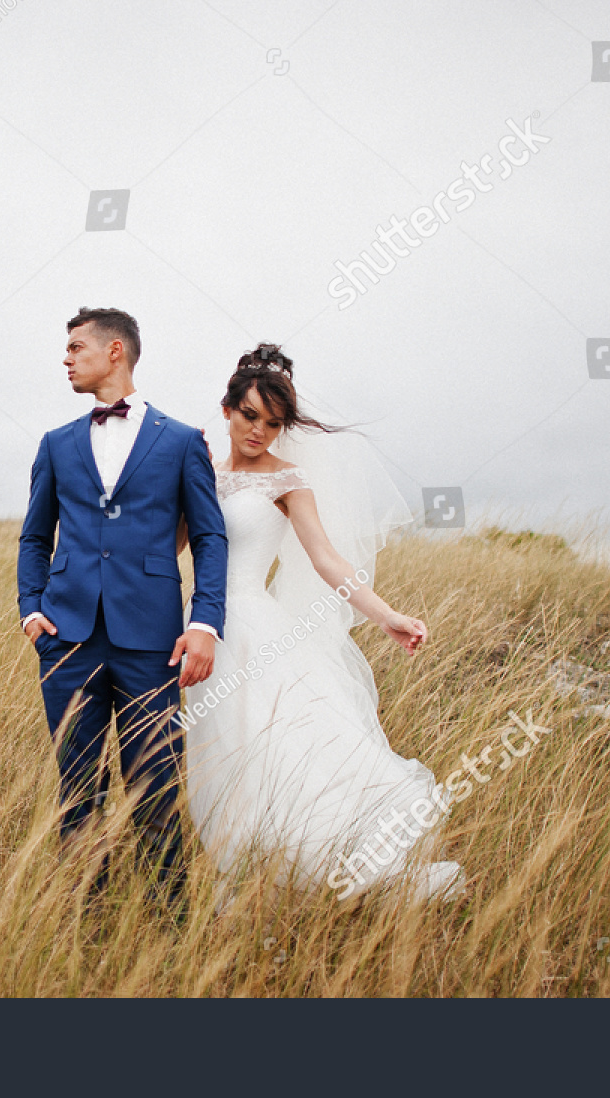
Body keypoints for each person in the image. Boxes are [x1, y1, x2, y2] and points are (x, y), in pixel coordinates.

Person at [181, 343, 464, 907]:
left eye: (273, 422)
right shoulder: (200, 474)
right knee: (225, 760)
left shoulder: (286, 480)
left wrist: (386, 615)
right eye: (250, 416)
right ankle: (249, 883)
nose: (260, 431)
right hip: (203, 631)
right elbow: (168, 554)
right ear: (226, 409)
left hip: (257, 632)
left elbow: (326, 558)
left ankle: (309, 871)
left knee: (279, 752)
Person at [17, 307, 228, 904]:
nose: (66, 358)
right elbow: (35, 537)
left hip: (153, 642)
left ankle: (168, 925)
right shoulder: (55, 445)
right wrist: (32, 611)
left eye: (76, 348)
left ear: (116, 351)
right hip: (67, 639)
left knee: (156, 786)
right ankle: (92, 927)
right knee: (78, 789)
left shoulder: (183, 441)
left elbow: (210, 537)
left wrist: (205, 622)